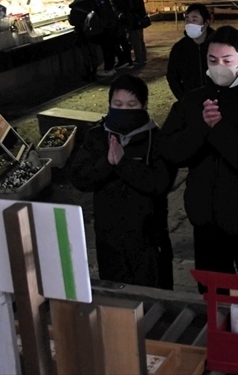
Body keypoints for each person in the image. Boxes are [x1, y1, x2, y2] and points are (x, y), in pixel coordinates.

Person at [159, 26, 238, 286]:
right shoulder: (192, 102)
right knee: (213, 291)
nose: (219, 66)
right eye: (212, 60)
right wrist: (200, 128)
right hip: (205, 217)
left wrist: (220, 129)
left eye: (227, 60)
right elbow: (170, 150)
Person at [70, 74, 177, 289]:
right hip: (110, 241)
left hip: (149, 240)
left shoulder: (157, 139)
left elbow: (160, 183)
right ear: (109, 105)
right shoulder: (97, 136)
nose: (124, 110)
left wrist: (123, 163)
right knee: (118, 302)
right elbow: (80, 178)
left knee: (154, 297)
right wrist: (107, 163)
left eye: (131, 105)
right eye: (117, 104)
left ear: (144, 105)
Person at [166, 3, 215, 100]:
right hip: (191, 102)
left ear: (206, 23)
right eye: (187, 20)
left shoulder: (219, 45)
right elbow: (172, 77)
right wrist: (183, 98)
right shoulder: (179, 48)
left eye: (194, 19)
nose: (189, 23)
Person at [84, 0, 119, 77]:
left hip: (106, 26)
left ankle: (108, 69)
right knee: (110, 47)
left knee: (107, 47)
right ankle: (111, 68)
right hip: (111, 23)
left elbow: (102, 12)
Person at [116, 0, 149, 66]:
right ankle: (143, 58)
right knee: (139, 39)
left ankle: (139, 60)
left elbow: (130, 3)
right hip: (139, 16)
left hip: (134, 17)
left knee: (135, 39)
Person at [109, 0, 135, 69]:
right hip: (121, 17)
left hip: (120, 18)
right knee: (122, 40)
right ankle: (127, 60)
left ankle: (125, 60)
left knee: (120, 40)